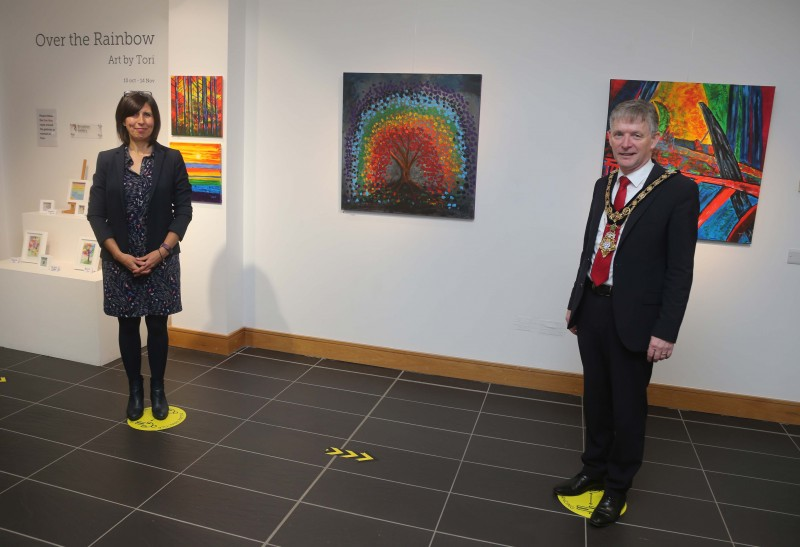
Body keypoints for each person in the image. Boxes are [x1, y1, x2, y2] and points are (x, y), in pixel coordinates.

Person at [554, 99, 699, 526]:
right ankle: (593, 469)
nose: (626, 142)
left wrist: (666, 330)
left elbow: (680, 270)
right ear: (609, 138)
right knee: (596, 399)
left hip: (637, 319)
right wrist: (575, 300)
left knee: (628, 407)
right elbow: (590, 247)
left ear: (655, 139)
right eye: (619, 133)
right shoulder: (604, 186)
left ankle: (616, 487)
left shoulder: (678, 191)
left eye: (636, 134)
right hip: (594, 307)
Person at [88, 91, 192, 421]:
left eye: (147, 115)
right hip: (121, 262)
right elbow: (96, 215)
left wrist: (161, 252)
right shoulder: (107, 160)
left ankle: (158, 390)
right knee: (128, 327)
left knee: (158, 327)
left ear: (155, 119)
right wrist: (119, 255)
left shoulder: (171, 158)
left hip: (160, 261)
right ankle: (135, 390)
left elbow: (184, 211)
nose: (140, 121)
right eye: (134, 115)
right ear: (123, 120)